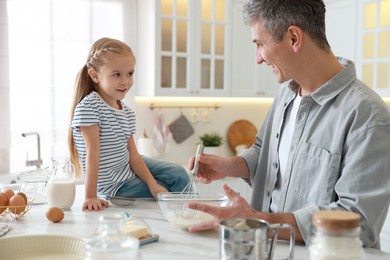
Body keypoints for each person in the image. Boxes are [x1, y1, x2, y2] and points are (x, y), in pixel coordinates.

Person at [187, 0, 390, 249]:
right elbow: (266, 152)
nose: (258, 59)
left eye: (260, 44)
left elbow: (359, 222)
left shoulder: (367, 115)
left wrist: (258, 221)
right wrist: (231, 166)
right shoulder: (286, 93)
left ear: (294, 37)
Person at [68, 37, 190, 211]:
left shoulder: (126, 111)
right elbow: (92, 154)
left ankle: (188, 215)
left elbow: (133, 155)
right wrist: (90, 196)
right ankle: (183, 217)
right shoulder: (89, 107)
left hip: (126, 169)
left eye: (130, 74)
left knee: (178, 173)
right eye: (116, 74)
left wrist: (152, 184)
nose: (125, 81)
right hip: (115, 187)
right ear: (94, 75)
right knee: (170, 188)